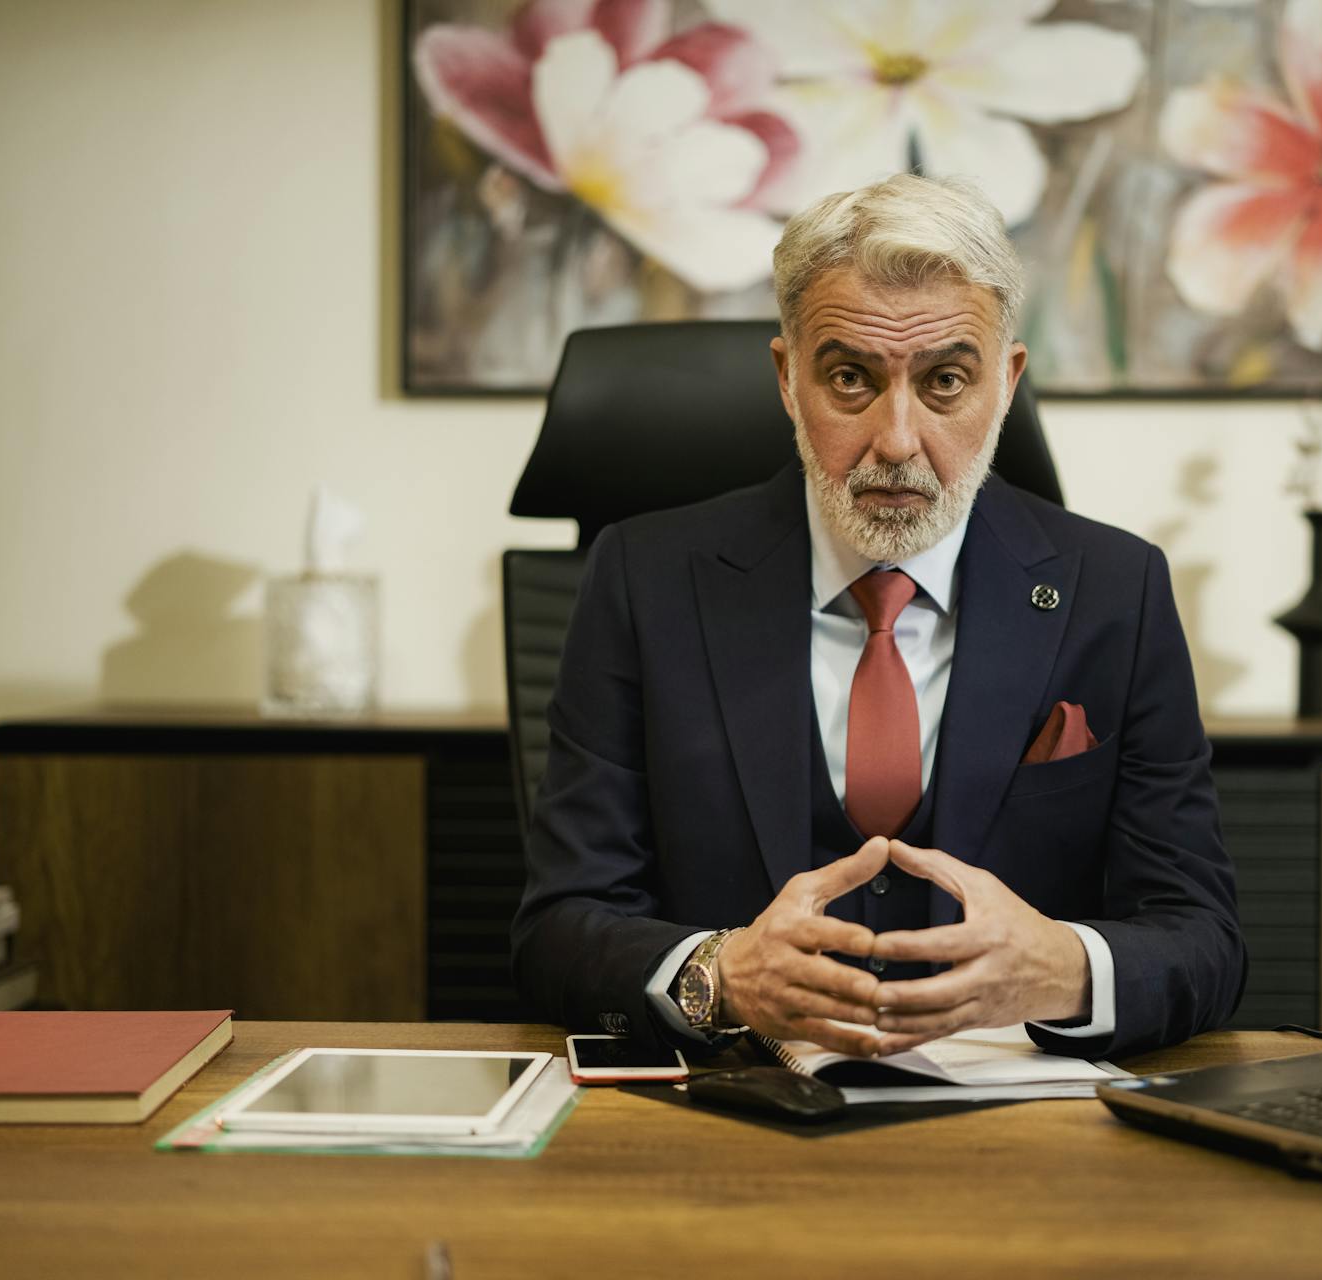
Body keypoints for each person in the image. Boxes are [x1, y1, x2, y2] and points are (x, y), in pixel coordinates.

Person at [513, 174, 1245, 1061]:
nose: (897, 440)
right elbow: (558, 927)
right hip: (733, 1123)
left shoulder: (1115, 589)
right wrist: (722, 972)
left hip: (1020, 1138)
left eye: (945, 382)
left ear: (1006, 383)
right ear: (789, 380)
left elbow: (1204, 938)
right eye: (852, 378)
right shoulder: (641, 580)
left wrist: (1065, 967)